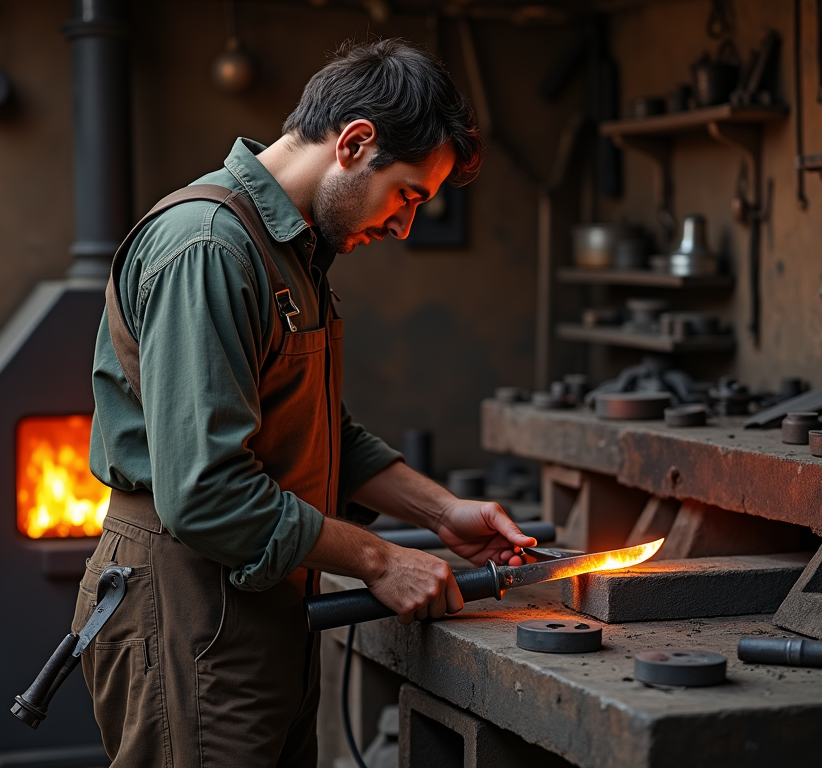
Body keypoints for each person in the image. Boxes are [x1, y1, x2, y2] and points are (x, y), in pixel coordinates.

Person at [73, 38, 535, 767]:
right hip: (190, 610)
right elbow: (206, 493)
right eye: (408, 195)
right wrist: (380, 559)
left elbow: (322, 434)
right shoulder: (210, 250)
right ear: (355, 143)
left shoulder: (290, 250)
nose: (405, 225)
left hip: (264, 606)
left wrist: (442, 514)